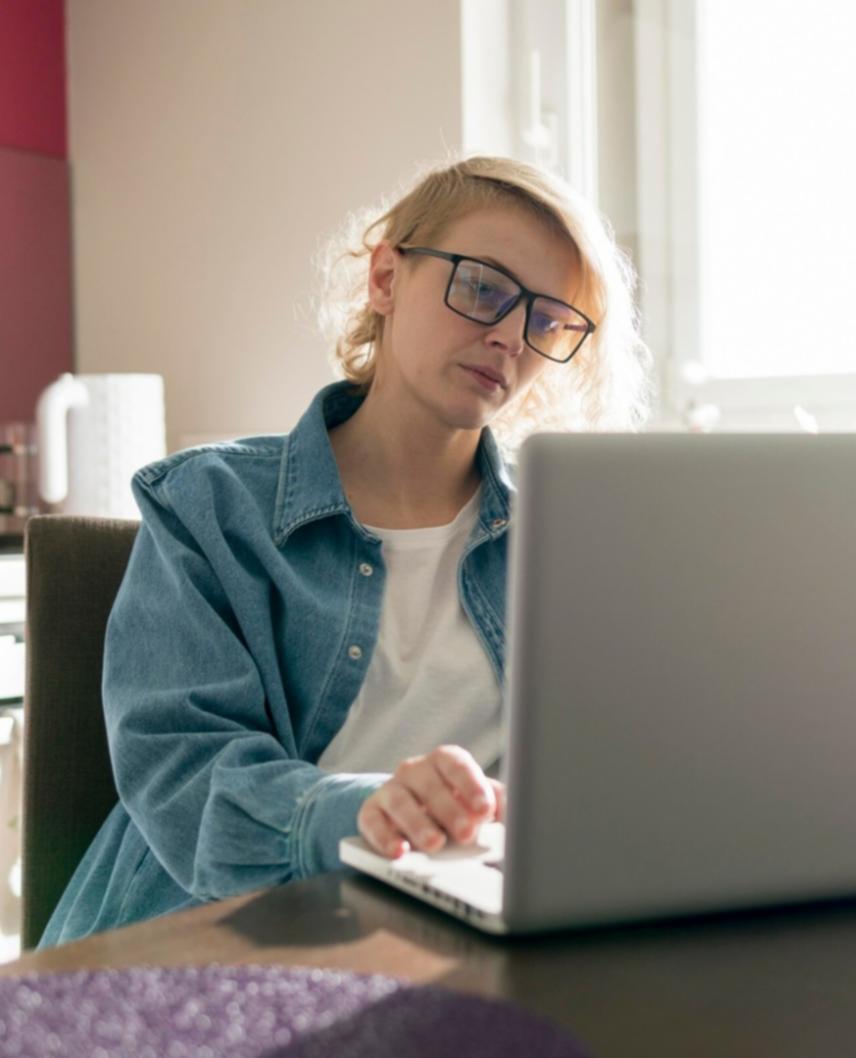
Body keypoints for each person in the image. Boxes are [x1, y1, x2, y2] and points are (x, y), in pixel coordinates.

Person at [40, 156, 652, 946]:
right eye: (482, 287)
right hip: (207, 935)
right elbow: (182, 773)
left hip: (454, 941)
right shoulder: (210, 505)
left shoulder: (563, 545)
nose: (508, 335)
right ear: (386, 278)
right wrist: (359, 811)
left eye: (546, 319)